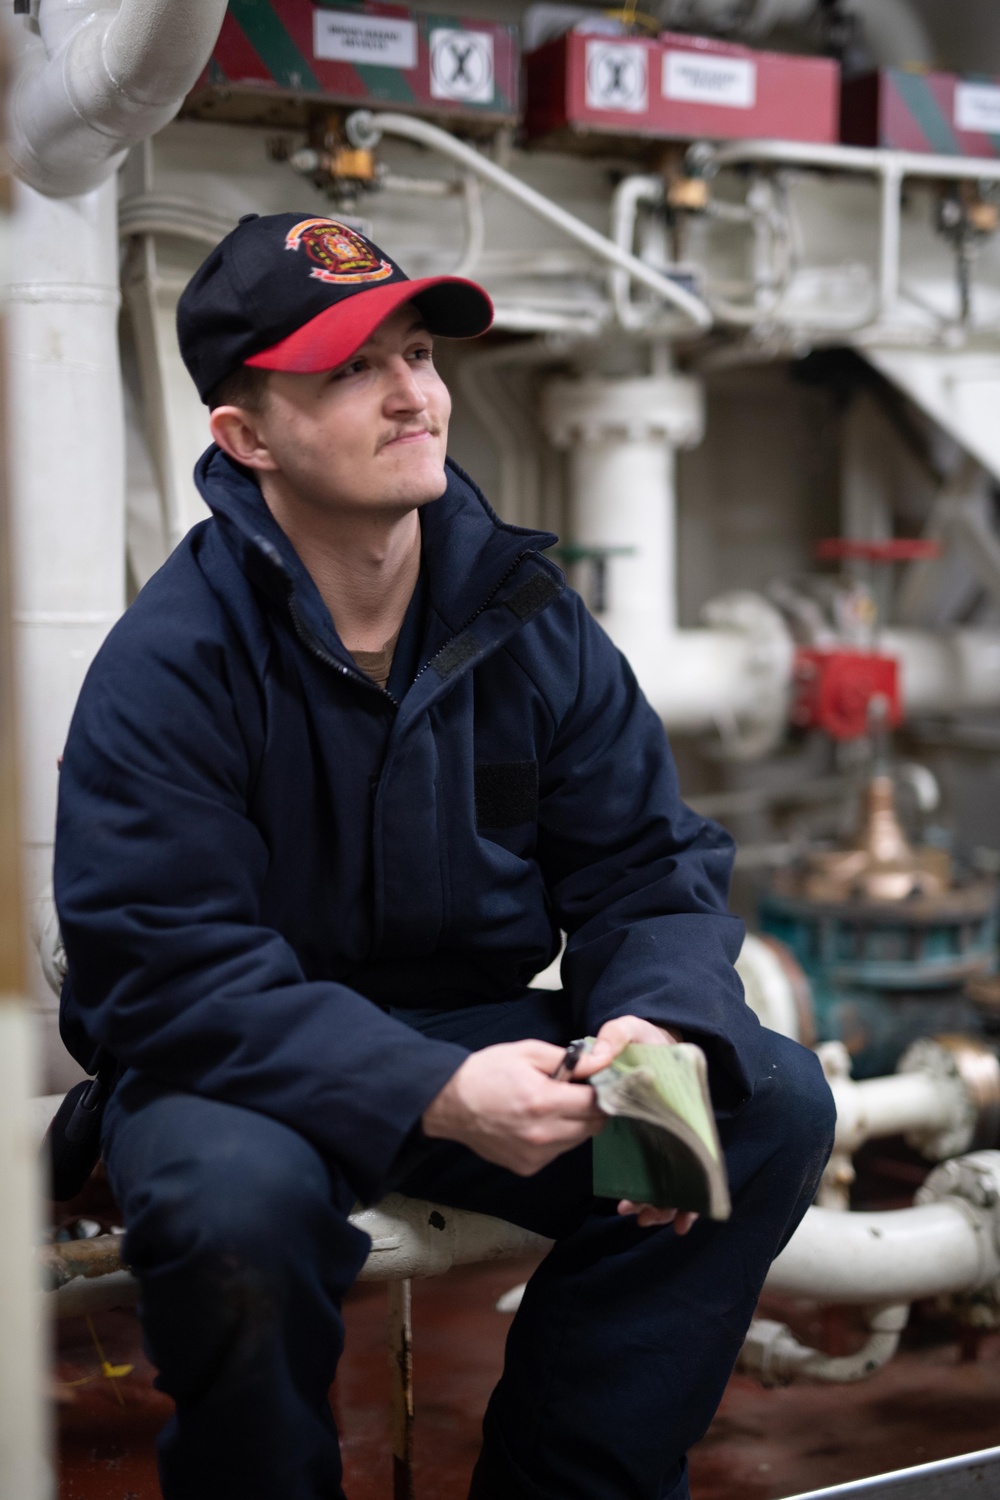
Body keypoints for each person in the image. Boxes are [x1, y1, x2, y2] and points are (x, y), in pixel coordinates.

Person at [54, 212, 835, 1500]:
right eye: (351, 368)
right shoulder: (170, 665)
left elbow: (647, 864)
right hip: (245, 1064)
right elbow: (167, 977)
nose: (413, 392)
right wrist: (432, 1087)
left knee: (766, 1104)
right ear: (247, 439)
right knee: (227, 1211)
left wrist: (655, 1021)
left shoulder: (531, 620)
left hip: (479, 1029)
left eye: (417, 352)